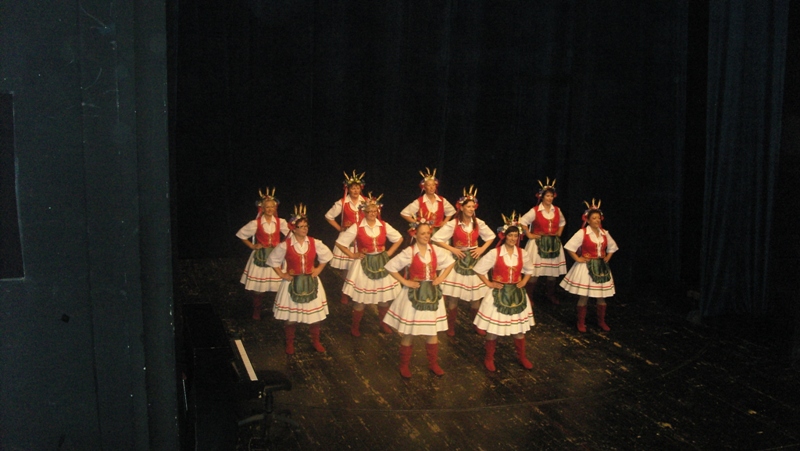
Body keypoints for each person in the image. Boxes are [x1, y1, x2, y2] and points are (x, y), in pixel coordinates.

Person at [383, 222, 456, 378]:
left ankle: (433, 363)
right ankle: (404, 365)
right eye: (422, 233)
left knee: (432, 331)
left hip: (431, 294)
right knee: (409, 332)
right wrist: (405, 281)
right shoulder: (409, 252)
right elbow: (390, 266)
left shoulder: (435, 250)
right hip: (414, 295)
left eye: (428, 233)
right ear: (415, 235)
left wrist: (441, 278)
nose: (426, 236)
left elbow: (451, 262)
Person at [266, 204, 333, 354]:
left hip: (310, 282)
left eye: (306, 226)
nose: (304, 229)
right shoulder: (285, 245)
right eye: (301, 226)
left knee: (314, 316)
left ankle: (316, 341)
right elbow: (272, 260)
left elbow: (327, 256)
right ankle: (290, 343)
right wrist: (282, 274)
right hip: (293, 283)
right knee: (291, 317)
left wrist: (318, 269)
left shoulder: (314, 242)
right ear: (293, 229)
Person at [473, 212, 536, 372]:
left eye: (515, 236)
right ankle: (489, 358)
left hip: (516, 294)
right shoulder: (495, 253)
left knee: (519, 330)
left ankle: (522, 357)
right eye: (510, 235)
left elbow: (529, 269)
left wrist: (524, 281)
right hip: (498, 294)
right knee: (493, 330)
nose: (513, 238)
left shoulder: (522, 253)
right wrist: (489, 283)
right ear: (504, 235)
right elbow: (479, 269)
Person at [335, 193, 403, 336]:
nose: (372, 213)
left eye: (374, 211)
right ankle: (355, 326)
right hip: (363, 264)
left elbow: (399, 238)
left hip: (381, 263)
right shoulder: (357, 226)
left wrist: (389, 252)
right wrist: (353, 255)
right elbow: (340, 243)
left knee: (383, 298)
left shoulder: (383, 225)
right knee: (361, 300)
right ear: (364, 212)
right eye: (369, 211)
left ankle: (383, 324)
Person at [431, 185, 495, 336]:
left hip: (473, 260)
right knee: (454, 296)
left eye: (473, 206)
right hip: (458, 259)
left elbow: (491, 236)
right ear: (461, 207)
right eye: (468, 206)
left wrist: (481, 249)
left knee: (475, 297)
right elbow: (436, 238)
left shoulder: (478, 223)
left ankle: (476, 325)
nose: (471, 209)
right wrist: (452, 249)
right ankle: (451, 326)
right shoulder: (453, 223)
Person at [560, 199, 618, 333]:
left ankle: (601, 321)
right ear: (588, 220)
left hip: (601, 268)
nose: (597, 220)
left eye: (598, 218)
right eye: (594, 218)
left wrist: (607, 258)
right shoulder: (583, 233)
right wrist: (578, 258)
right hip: (586, 268)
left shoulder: (604, 233)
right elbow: (569, 247)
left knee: (601, 296)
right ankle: (581, 322)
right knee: (584, 296)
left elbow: (612, 247)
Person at [236, 187, 290, 320]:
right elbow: (241, 234)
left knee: (279, 285)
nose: (270, 209)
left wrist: (283, 246)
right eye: (267, 207)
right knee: (259, 287)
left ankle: (278, 311)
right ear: (263, 208)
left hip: (275, 256)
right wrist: (253, 246)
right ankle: (257, 310)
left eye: (272, 207)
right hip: (262, 257)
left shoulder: (280, 222)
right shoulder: (256, 223)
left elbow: (290, 234)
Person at [519, 178, 567, 304]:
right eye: (547, 196)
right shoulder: (535, 210)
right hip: (538, 244)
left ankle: (550, 294)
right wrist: (529, 234)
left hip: (553, 244)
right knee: (534, 272)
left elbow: (562, 222)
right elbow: (522, 222)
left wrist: (559, 233)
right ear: (542, 197)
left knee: (552, 273)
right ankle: (529, 296)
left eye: (551, 196)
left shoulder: (557, 210)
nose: (550, 198)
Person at [325, 170, 367, 304]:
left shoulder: (366, 201)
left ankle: (358, 290)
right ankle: (345, 292)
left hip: (362, 237)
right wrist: (340, 228)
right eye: (352, 188)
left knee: (360, 265)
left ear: (361, 188)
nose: (355, 190)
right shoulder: (342, 202)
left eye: (357, 188)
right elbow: (329, 216)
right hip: (348, 239)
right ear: (348, 189)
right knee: (347, 267)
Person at [400, 167, 456, 232]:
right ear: (424, 187)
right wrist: (417, 224)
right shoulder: (419, 201)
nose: (431, 187)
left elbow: (451, 211)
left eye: (433, 185)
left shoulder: (442, 200)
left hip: (439, 232)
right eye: (429, 185)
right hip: (424, 232)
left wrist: (444, 222)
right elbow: (404, 213)